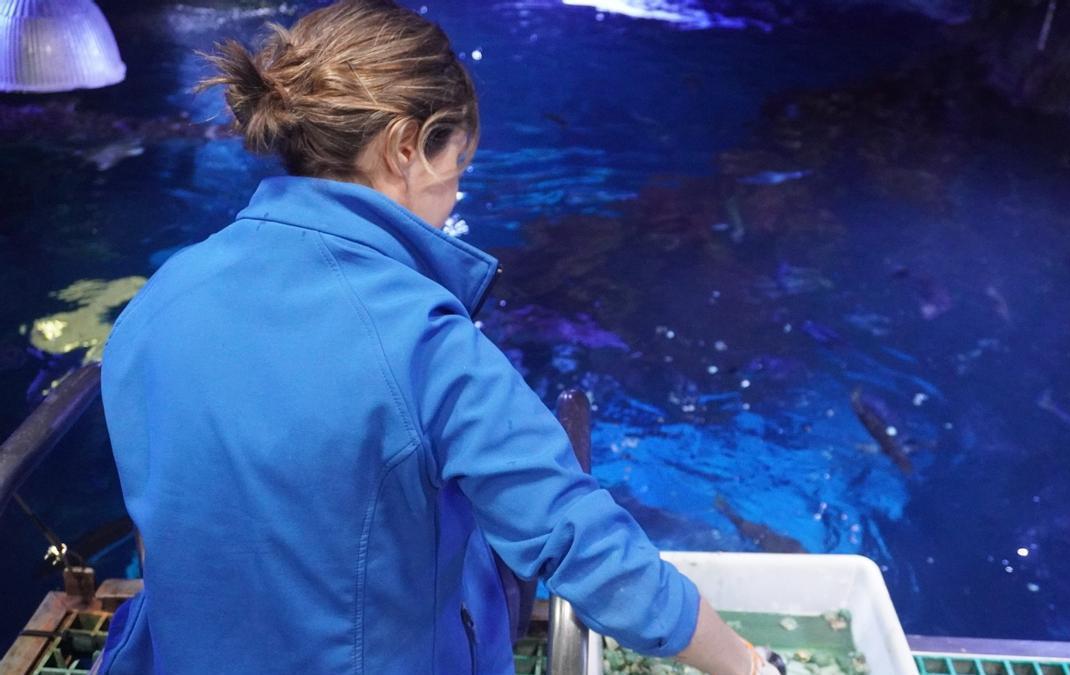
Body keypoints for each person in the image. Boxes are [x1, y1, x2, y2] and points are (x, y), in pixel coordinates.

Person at [95, 1, 783, 673]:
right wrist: (748, 663)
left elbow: (161, 537)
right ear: (405, 147)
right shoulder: (423, 341)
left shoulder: (159, 301)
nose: (454, 194)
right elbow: (584, 544)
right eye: (458, 166)